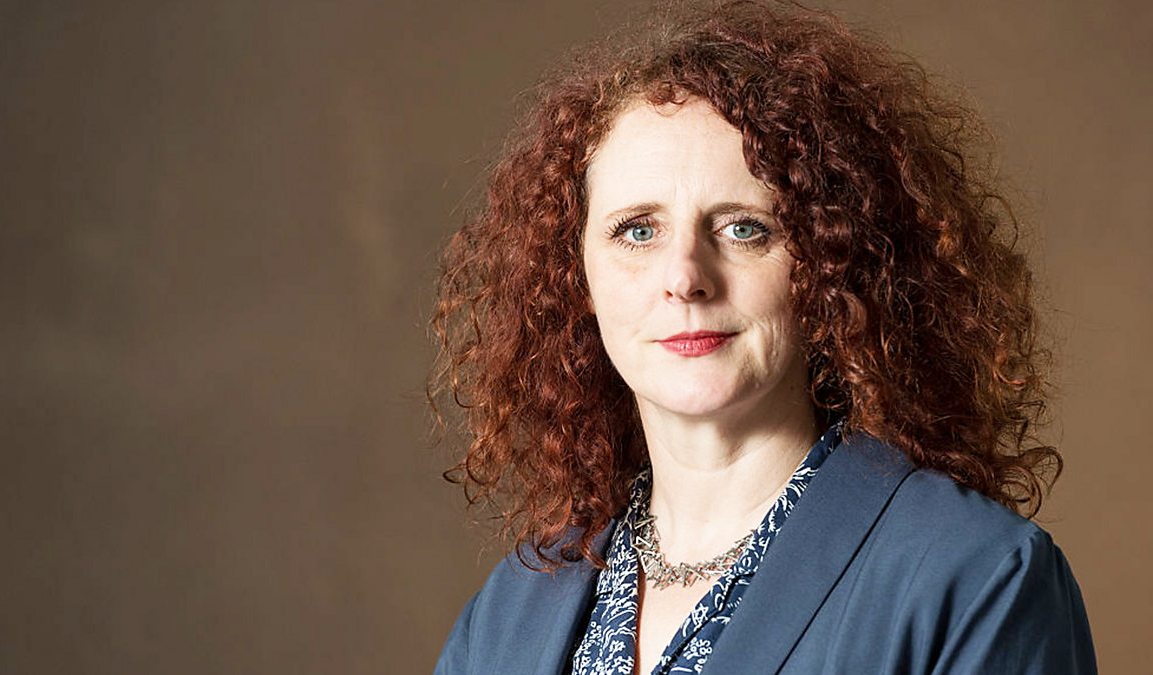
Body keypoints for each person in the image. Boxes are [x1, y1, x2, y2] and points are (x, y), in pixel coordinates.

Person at [428, 1, 1096, 673]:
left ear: (829, 263)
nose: (685, 277)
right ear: (578, 277)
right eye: (638, 230)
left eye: (743, 228)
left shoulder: (976, 578)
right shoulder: (510, 611)